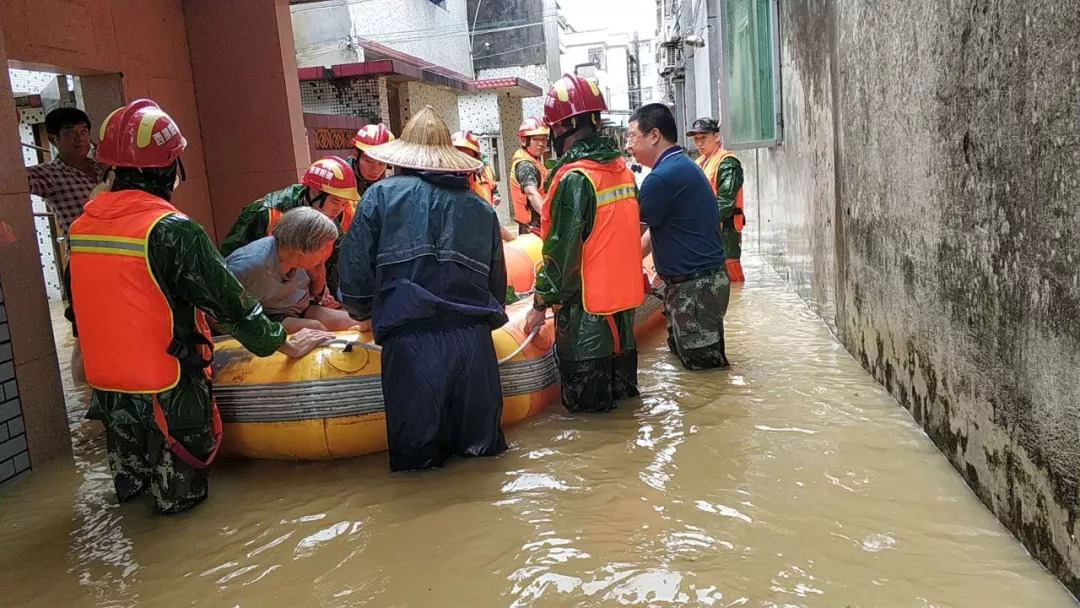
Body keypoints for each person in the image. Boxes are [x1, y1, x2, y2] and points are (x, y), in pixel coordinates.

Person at [66, 99, 332, 515]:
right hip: (169, 389)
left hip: (112, 394)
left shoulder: (80, 228)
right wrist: (282, 343)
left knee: (130, 506)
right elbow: (233, 306)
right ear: (171, 167)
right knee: (180, 508)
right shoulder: (173, 230)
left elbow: (78, 310)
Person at [338, 105, 509, 472]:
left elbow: (353, 278)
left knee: (418, 472)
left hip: (411, 347)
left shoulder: (379, 197)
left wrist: (362, 314)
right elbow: (497, 288)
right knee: (484, 466)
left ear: (402, 160)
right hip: (475, 347)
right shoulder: (481, 210)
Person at [523, 74, 645, 413]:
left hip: (585, 332)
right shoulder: (622, 171)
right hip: (622, 327)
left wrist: (538, 305)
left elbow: (561, 258)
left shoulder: (575, 179)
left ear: (559, 129)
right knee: (623, 423)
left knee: (590, 431)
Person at [628, 104, 731, 370]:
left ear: (654, 135)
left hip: (695, 290)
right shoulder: (680, 165)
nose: (628, 145)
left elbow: (629, 234)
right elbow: (653, 229)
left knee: (705, 376)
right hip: (695, 287)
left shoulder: (662, 178)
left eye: (631, 136)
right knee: (694, 368)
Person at [220, 156, 361, 306]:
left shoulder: (329, 217)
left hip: (301, 297)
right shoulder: (264, 213)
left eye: (344, 204)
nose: (338, 210)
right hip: (258, 301)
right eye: (335, 201)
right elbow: (228, 265)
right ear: (314, 193)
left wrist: (330, 297)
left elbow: (337, 264)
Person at [226, 207, 360, 333]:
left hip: (299, 310)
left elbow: (314, 295)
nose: (325, 254)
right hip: (263, 317)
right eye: (324, 248)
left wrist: (318, 273)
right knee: (316, 328)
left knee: (358, 323)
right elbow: (218, 313)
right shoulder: (248, 266)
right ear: (304, 248)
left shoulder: (300, 259)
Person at [26, 107, 106, 237]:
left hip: (122, 252)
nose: (79, 138)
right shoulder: (48, 174)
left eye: (84, 131)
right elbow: (13, 181)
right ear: (53, 139)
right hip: (83, 254)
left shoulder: (104, 168)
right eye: (70, 133)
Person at [686, 117, 745, 282]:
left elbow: (726, 202)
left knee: (730, 276)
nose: (699, 143)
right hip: (706, 231)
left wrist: (698, 224)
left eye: (703, 138)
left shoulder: (727, 163)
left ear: (716, 137)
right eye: (696, 139)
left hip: (724, 232)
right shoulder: (699, 163)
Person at [452, 129, 516, 242]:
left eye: (467, 156)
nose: (462, 161)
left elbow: (492, 187)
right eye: (458, 155)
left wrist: (496, 195)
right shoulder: (451, 185)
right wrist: (512, 240)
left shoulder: (484, 171)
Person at [343, 123, 395, 228]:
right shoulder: (339, 180)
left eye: (381, 163)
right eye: (368, 161)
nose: (375, 169)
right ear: (356, 155)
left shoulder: (388, 187)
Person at [508, 117, 549, 235]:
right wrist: (550, 218)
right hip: (533, 227)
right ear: (524, 140)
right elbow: (531, 193)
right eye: (536, 139)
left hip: (537, 224)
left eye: (544, 139)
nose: (541, 144)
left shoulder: (533, 161)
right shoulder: (526, 165)